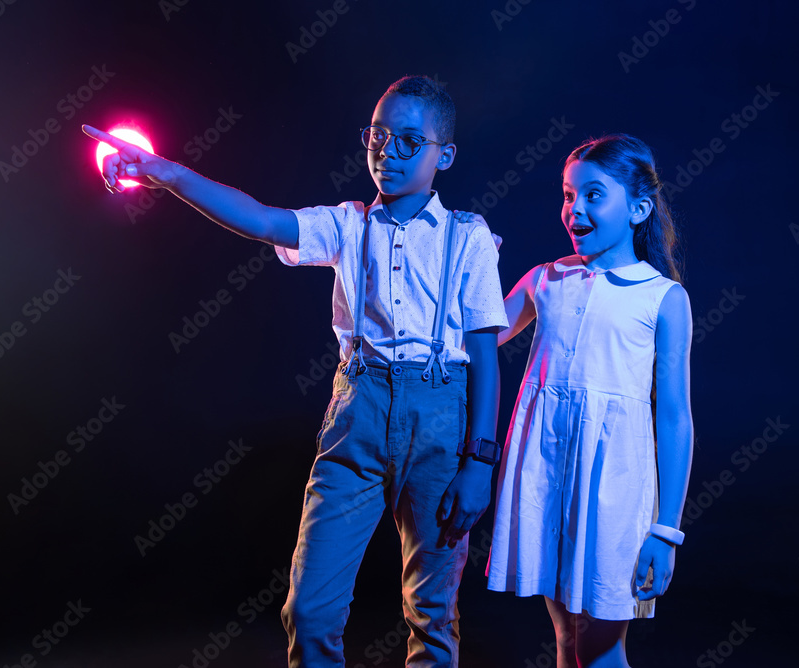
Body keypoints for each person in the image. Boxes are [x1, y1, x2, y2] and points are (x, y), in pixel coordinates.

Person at [82, 75, 508, 668]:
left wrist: (480, 462)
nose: (388, 152)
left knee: (432, 613)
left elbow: (484, 352)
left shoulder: (469, 238)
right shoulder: (347, 223)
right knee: (309, 611)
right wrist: (165, 171)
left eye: (410, 141)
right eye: (378, 137)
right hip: (358, 412)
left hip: (440, 420)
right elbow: (261, 220)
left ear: (446, 155)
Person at [484, 134, 694, 667]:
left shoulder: (662, 298)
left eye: (593, 195)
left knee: (600, 649)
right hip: (547, 477)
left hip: (614, 491)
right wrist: (474, 266)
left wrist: (665, 530)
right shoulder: (545, 279)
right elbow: (475, 336)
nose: (574, 208)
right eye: (568, 194)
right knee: (567, 640)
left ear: (639, 208)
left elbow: (673, 418)